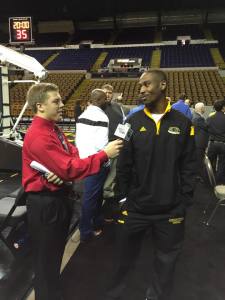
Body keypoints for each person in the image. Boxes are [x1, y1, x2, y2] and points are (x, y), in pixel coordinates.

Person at [22, 83, 123, 300]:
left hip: (56, 200)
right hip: (45, 204)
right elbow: (69, 167)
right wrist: (103, 154)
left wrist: (63, 170)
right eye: (56, 101)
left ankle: (52, 292)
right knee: (46, 260)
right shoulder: (40, 134)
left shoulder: (52, 128)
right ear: (40, 106)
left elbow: (72, 153)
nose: (62, 104)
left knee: (53, 255)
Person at [104, 70, 196, 300]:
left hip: (170, 210)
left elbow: (189, 166)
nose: (141, 89)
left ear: (163, 85)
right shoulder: (131, 121)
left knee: (166, 264)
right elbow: (123, 165)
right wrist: (123, 197)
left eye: (147, 84)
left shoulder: (183, 123)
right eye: (140, 85)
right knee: (121, 260)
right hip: (135, 208)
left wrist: (184, 200)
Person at [76, 89, 110, 241]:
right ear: (102, 100)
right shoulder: (102, 116)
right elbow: (101, 143)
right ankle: (85, 231)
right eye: (105, 99)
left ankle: (97, 222)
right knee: (91, 196)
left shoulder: (83, 114)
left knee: (94, 195)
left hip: (84, 159)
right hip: (97, 161)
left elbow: (79, 139)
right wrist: (106, 159)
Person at [101, 84, 125, 221]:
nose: (108, 94)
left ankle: (108, 208)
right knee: (100, 178)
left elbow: (124, 125)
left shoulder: (119, 108)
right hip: (101, 148)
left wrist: (123, 142)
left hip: (115, 146)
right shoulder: (97, 109)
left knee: (112, 179)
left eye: (110, 92)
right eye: (106, 92)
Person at [206, 99, 225, 184]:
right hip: (223, 144)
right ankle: (219, 181)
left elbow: (206, 129)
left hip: (212, 143)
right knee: (222, 164)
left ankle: (209, 180)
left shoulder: (210, 118)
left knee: (210, 162)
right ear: (223, 108)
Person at [192, 102, 209, 180]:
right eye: (204, 107)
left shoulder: (196, 116)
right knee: (198, 160)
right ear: (201, 109)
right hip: (198, 143)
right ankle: (197, 176)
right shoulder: (198, 118)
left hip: (198, 143)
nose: (204, 109)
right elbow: (207, 127)